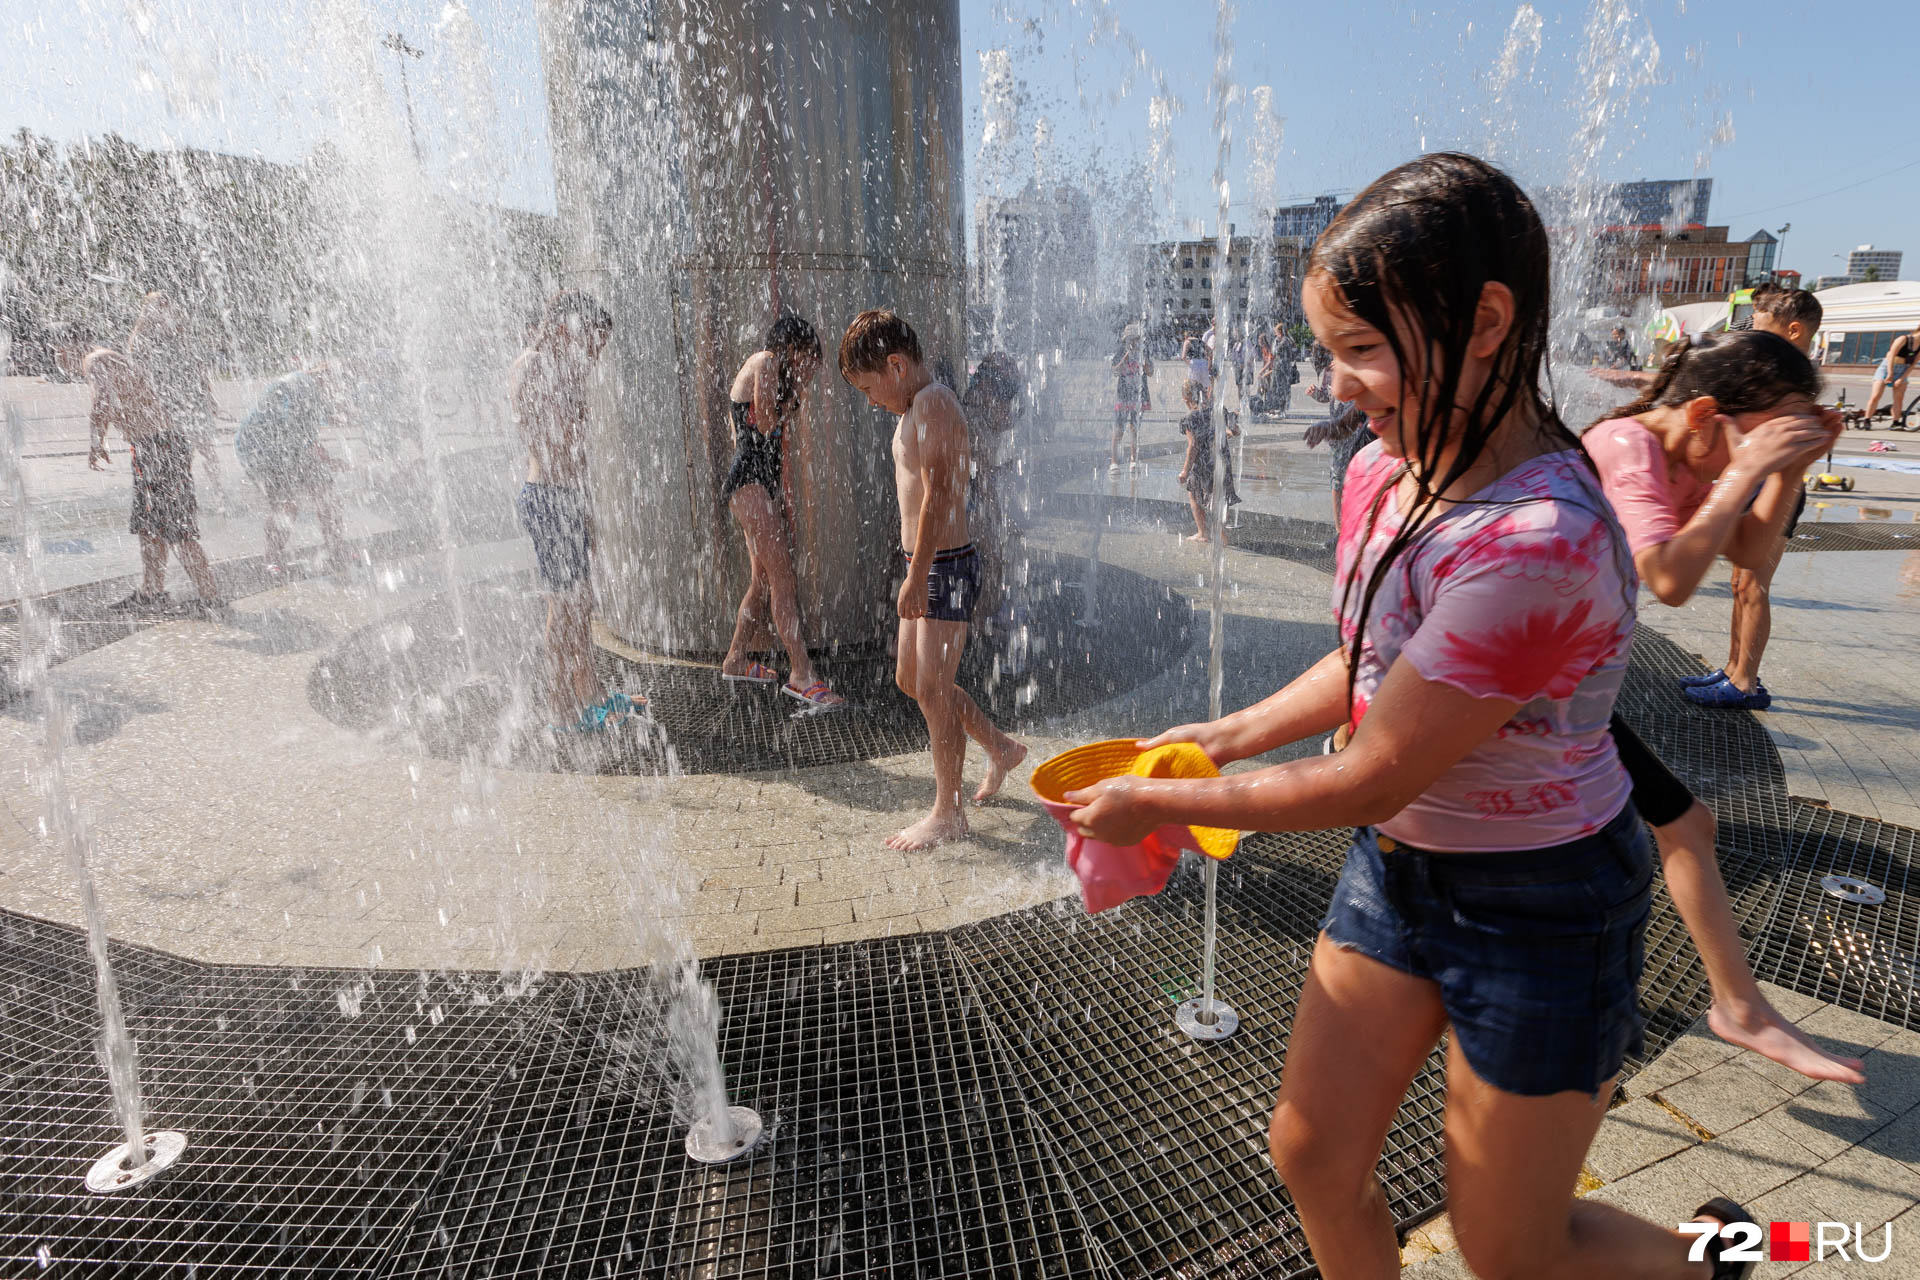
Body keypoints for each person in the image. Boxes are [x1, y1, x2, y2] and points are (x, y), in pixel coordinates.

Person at [1063, 153, 1838, 1280]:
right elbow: (1378, 660)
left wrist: (1156, 799)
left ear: (1485, 321)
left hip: (1545, 904)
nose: (1335, 386)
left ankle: (1709, 1257)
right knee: (1314, 1154)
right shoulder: (1385, 471)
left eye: (1363, 349)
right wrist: (1222, 734)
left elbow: (1374, 770)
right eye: (1330, 351)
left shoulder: (1547, 539)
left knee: (1509, 1249)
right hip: (1400, 873)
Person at [840, 309, 1027, 851]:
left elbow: (941, 494)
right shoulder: (915, 407)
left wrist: (918, 576)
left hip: (945, 566)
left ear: (896, 366)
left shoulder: (936, 403)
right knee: (913, 682)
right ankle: (1000, 748)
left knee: (932, 690)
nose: (870, 401)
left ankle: (949, 813)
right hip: (923, 565)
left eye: (870, 388)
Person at [1584, 329, 1839, 712]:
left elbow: (1748, 551)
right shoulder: (1626, 443)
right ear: (1702, 414)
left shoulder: (1688, 462)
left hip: (1583, 641)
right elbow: (1669, 582)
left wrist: (1790, 471)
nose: (1773, 451)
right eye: (1769, 436)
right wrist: (1745, 471)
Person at [1667, 288, 1823, 710]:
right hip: (1758, 482)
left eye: (1760, 326)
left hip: (1778, 489)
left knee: (1754, 585)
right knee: (1740, 583)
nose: (1751, 333)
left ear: (1793, 330)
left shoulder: (1796, 382)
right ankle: (1733, 666)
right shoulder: (1780, 376)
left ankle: (1746, 682)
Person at [508, 289, 640, 734]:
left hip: (568, 498)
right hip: (546, 498)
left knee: (579, 606)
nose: (595, 357)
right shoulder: (532, 364)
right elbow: (549, 435)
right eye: (592, 344)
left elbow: (578, 449)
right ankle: (561, 709)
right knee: (562, 608)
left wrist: (587, 510)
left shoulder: (565, 369)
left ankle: (589, 694)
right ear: (567, 329)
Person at [715, 315, 846, 711]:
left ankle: (736, 658)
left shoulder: (777, 371)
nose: (811, 369)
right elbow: (767, 421)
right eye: (811, 359)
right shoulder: (768, 361)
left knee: (764, 582)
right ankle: (801, 675)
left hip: (758, 484)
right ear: (795, 348)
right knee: (783, 577)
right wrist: (793, 397)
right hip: (749, 482)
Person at [84, 347, 226, 614]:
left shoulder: (95, 360)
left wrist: (96, 441)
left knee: (177, 530)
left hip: (158, 448)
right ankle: (152, 591)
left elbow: (103, 400)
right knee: (149, 526)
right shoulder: (112, 359)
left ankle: (211, 598)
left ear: (63, 347)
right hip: (157, 446)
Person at [233, 364, 353, 576]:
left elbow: (307, 436)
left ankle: (336, 548)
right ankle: (272, 558)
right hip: (261, 451)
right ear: (325, 379)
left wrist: (325, 458)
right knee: (286, 505)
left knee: (327, 496)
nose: (340, 389)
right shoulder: (301, 388)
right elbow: (293, 432)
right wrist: (326, 459)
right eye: (337, 383)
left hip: (288, 448)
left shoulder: (313, 391)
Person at [127, 292, 229, 506]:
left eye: (167, 304)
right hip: (167, 401)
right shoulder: (142, 336)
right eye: (160, 305)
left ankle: (219, 492)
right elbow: (138, 370)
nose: (165, 310)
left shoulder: (179, 332)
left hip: (192, 398)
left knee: (207, 448)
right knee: (182, 451)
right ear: (148, 310)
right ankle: (183, 494)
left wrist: (209, 397)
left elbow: (197, 367)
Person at [961, 351, 1024, 629]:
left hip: (961, 502)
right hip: (965, 507)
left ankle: (980, 616)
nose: (1009, 415)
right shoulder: (977, 426)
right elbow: (983, 482)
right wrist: (996, 518)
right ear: (989, 394)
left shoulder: (970, 410)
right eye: (1006, 405)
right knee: (995, 558)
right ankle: (981, 619)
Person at [1177, 379, 1237, 544]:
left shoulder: (1190, 417)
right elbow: (1234, 429)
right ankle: (1221, 534)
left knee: (1194, 495)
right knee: (1218, 496)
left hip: (1203, 463)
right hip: (1221, 459)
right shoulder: (1217, 409)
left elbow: (1193, 445)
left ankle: (1203, 533)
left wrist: (1185, 471)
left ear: (1186, 399)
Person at [1109, 324, 1153, 473]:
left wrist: (1143, 359)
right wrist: (1127, 356)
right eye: (1131, 339)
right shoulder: (1121, 351)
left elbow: (1151, 372)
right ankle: (1114, 462)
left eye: (1136, 339)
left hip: (1139, 396)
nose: (1134, 342)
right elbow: (1115, 371)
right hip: (1123, 395)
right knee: (1119, 429)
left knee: (1135, 429)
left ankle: (1134, 460)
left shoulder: (1144, 352)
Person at [1864, 323, 1920, 423]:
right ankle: (1867, 420)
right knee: (1876, 395)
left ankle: (1895, 422)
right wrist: (1890, 373)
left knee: (1899, 398)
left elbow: (1913, 364)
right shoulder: (1904, 339)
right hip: (1887, 367)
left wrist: (1902, 378)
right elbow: (1891, 355)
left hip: (1903, 369)